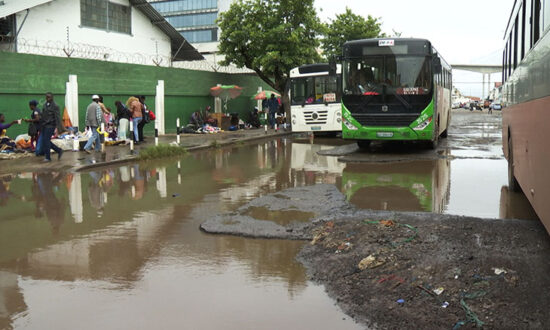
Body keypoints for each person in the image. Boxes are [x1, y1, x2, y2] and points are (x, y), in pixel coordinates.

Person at [39, 92, 63, 161]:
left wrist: (58, 128)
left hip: (51, 126)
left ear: (52, 97)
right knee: (45, 141)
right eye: (46, 97)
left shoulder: (55, 106)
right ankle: (59, 150)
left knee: (46, 141)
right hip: (44, 125)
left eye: (49, 97)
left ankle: (48, 157)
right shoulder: (45, 105)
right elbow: (42, 115)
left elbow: (58, 117)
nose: (47, 98)